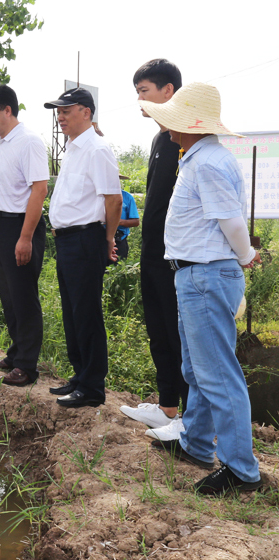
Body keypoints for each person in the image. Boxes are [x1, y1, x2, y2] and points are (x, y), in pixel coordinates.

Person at [139, 82, 262, 496]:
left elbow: (231, 221)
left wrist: (245, 254)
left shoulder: (207, 162)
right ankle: (195, 442)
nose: (168, 126)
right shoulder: (198, 158)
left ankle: (240, 471)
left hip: (206, 275)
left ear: (188, 124)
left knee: (218, 375)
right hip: (195, 275)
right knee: (197, 370)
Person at [119, 59, 189, 440]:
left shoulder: (186, 140)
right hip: (151, 252)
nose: (140, 100)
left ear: (168, 91)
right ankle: (167, 408)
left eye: (144, 91)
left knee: (179, 335)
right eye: (137, 93)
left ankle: (190, 419)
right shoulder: (160, 140)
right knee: (158, 330)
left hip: (177, 256)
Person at [43, 88, 122, 408]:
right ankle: (80, 375)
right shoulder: (74, 148)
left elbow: (113, 199)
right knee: (72, 312)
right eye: (58, 112)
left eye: (66, 111)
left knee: (86, 313)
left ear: (86, 112)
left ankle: (92, 387)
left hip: (86, 239)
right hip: (67, 240)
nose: (60, 117)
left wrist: (108, 238)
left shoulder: (97, 149)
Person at [0, 84, 49, 386]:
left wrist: (25, 237)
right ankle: (16, 353)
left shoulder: (28, 141)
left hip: (21, 226)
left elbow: (39, 190)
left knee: (23, 296)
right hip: (1, 226)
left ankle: (27, 366)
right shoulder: (4, 143)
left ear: (7, 110)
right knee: (9, 296)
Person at [113, 187, 140, 263]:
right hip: (98, 238)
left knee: (117, 266)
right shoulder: (97, 196)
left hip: (119, 239)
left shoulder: (127, 197)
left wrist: (114, 221)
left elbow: (136, 222)